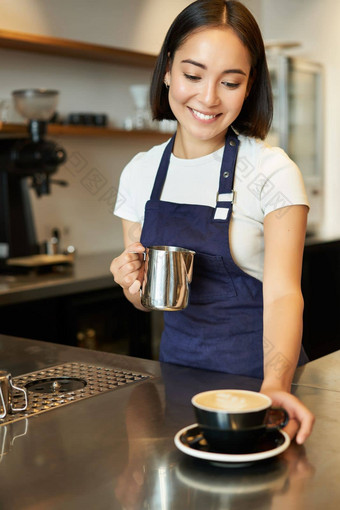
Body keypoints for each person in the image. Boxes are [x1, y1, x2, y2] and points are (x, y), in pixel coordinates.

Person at [111, 0, 314, 443]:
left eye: (230, 82)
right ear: (167, 70)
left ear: (249, 86)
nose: (208, 97)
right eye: (192, 74)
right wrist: (132, 285)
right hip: (177, 384)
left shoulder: (272, 171)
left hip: (261, 386)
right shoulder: (140, 173)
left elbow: (283, 295)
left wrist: (275, 384)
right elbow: (149, 299)